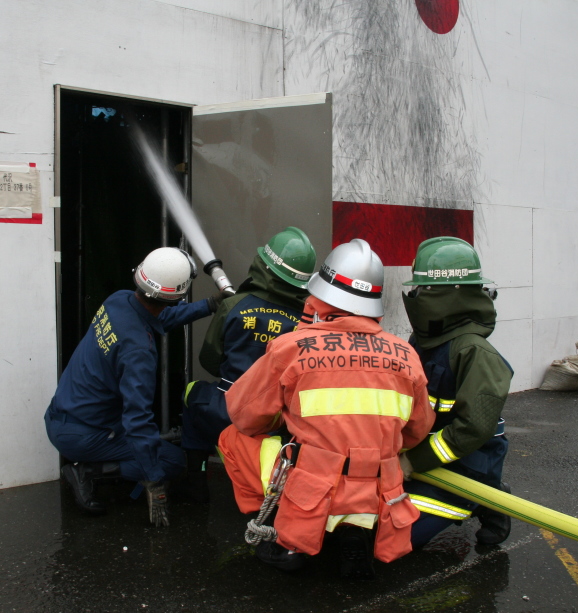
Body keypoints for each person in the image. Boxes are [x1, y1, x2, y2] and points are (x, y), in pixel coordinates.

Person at [218, 239, 435, 579]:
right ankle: (355, 530)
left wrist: (286, 419)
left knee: (233, 438)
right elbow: (417, 430)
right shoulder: (406, 355)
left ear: (321, 293)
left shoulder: (292, 347)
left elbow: (244, 414)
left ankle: (283, 539)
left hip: (314, 489)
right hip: (380, 488)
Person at [44, 247, 220, 526]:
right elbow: (137, 419)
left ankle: (98, 464)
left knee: (150, 448)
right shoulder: (138, 352)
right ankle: (88, 472)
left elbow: (160, 317)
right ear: (177, 296)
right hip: (84, 435)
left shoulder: (119, 300)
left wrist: (210, 304)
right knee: (172, 461)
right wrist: (154, 480)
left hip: (62, 416)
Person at [180, 227, 317, 502]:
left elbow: (209, 360)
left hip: (226, 409)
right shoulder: (306, 322)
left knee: (192, 393)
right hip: (275, 420)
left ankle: (194, 479)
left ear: (264, 266)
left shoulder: (234, 305)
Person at [399, 237, 514, 547]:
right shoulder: (423, 341)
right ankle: (487, 497)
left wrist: (413, 462)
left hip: (466, 466)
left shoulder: (475, 353)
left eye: (422, 289)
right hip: (424, 457)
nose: (415, 296)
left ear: (447, 294)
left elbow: (473, 430)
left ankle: (488, 497)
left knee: (395, 537)